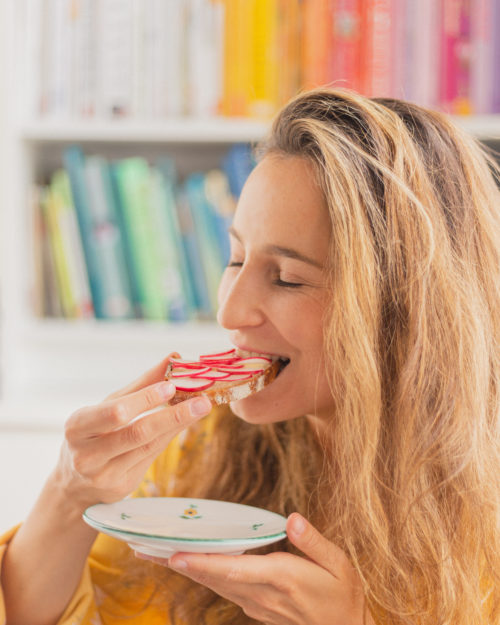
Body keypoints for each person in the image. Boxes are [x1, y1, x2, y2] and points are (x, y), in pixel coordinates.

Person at [1, 88, 499, 625]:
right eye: (235, 259)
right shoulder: (194, 456)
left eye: (287, 278)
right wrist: (70, 493)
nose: (231, 313)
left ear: (404, 309)